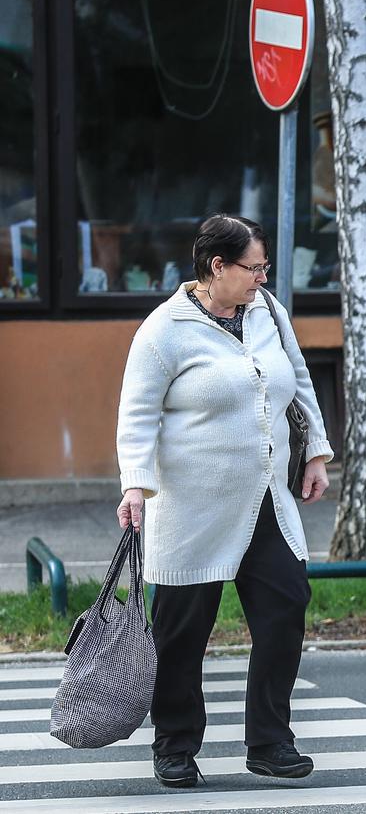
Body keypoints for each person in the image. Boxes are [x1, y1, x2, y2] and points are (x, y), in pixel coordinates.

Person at [115, 214, 333, 789]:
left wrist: (315, 452)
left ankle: (269, 742)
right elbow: (136, 414)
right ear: (217, 267)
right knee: (182, 634)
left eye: (264, 267)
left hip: (265, 497)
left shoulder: (268, 312)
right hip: (192, 506)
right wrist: (134, 484)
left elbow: (299, 381)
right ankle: (175, 747)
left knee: (286, 608)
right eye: (253, 267)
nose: (262, 278)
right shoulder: (165, 329)